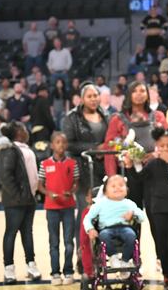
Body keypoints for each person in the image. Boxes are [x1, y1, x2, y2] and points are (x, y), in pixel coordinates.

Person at [123, 127, 168, 289]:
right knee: (161, 243)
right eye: (162, 145)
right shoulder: (152, 165)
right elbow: (137, 179)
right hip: (157, 208)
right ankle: (166, 275)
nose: (165, 149)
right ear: (156, 145)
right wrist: (129, 166)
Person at [63, 83, 109, 272]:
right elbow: (69, 144)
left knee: (103, 214)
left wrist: (106, 148)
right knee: (85, 214)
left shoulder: (106, 115)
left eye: (95, 95)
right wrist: (93, 149)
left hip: (103, 171)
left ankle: (101, 257)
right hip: (83, 172)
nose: (93, 99)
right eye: (89, 96)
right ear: (82, 99)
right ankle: (83, 259)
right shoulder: (72, 118)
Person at [0, 121, 42, 284]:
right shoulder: (9, 150)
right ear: (18, 133)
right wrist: (18, 196)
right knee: (11, 233)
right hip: (15, 201)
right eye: (24, 129)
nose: (27, 131)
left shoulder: (26, 148)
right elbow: (6, 176)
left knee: (27, 233)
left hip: (29, 199)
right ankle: (8, 269)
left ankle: (31, 265)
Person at [37, 132, 79, 286]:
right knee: (53, 242)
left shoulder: (72, 163)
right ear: (52, 145)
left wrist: (72, 191)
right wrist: (49, 193)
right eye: (57, 142)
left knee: (69, 241)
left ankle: (68, 271)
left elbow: (76, 182)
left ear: (66, 145)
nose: (60, 145)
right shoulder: (44, 164)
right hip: (52, 208)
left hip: (68, 207)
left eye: (63, 142)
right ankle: (55, 272)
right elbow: (40, 185)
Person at [83, 175, 145, 271]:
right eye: (113, 186)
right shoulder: (100, 204)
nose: (117, 188)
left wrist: (133, 213)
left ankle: (125, 261)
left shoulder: (129, 203)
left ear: (126, 190)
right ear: (105, 191)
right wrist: (90, 229)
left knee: (131, 235)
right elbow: (88, 218)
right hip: (107, 229)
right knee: (104, 235)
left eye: (121, 185)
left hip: (124, 227)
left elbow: (142, 217)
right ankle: (113, 257)